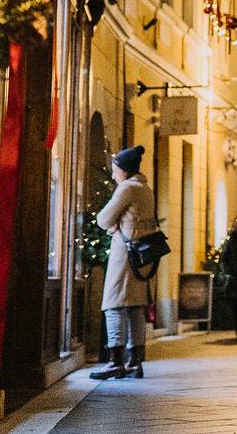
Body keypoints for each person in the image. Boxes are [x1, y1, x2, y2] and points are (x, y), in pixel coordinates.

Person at [91, 145, 156, 380]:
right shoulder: (145, 189)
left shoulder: (127, 189)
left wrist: (112, 225)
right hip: (141, 257)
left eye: (115, 169)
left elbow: (103, 219)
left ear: (124, 171)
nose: (113, 174)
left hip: (124, 256)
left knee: (114, 305)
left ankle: (115, 361)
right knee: (134, 307)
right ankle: (135, 361)